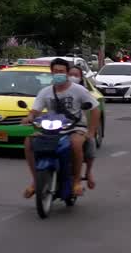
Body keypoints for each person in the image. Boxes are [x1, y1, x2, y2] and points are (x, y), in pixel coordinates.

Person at [22, 58, 101, 199]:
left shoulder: (79, 90)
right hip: (51, 127)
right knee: (29, 143)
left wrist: (91, 131)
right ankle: (35, 181)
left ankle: (76, 182)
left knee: (76, 144)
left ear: (67, 73)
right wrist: (30, 117)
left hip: (75, 126)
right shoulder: (45, 91)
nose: (58, 73)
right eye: (55, 71)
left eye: (61, 71)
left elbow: (95, 108)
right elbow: (35, 111)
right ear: (51, 72)